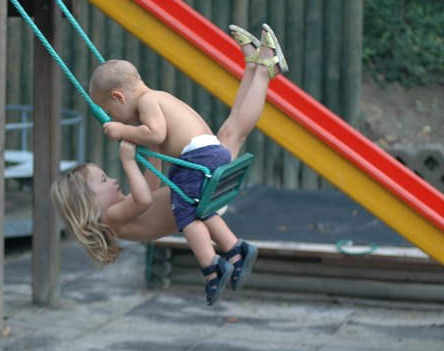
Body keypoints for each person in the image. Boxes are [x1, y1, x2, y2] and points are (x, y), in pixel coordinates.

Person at [52, 24, 287, 305]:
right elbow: (143, 199)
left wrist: (151, 147)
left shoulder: (119, 213)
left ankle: (255, 68)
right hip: (199, 199)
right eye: (103, 180)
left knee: (232, 131)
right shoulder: (112, 218)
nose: (113, 180)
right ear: (88, 202)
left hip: (198, 191)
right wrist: (128, 161)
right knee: (233, 132)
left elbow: (150, 190)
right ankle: (262, 72)